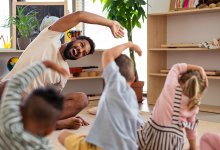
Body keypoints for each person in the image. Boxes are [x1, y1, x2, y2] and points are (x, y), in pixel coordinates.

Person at [0, 11, 124, 130]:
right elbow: (79, 15)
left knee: (82, 99)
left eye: (84, 53)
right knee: (9, 85)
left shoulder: (63, 72)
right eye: (81, 45)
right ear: (73, 38)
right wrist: (110, 23)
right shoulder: (49, 37)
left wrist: (68, 114)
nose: (80, 50)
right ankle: (52, 124)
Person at [58, 42, 143, 150]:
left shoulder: (116, 83)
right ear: (133, 79)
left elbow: (107, 54)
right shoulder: (132, 98)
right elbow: (139, 125)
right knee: (84, 137)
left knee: (63, 135)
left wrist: (130, 44)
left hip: (101, 147)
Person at [137, 63, 208, 150]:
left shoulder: (171, 84)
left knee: (138, 130)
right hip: (170, 142)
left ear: (179, 78)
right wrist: (193, 147)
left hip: (150, 132)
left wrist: (199, 67)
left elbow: (176, 67)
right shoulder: (193, 104)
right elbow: (191, 128)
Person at [0, 60, 69, 149]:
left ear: (21, 109)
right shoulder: (44, 146)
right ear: (49, 130)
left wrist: (45, 64)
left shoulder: (8, 122)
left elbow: (14, 84)